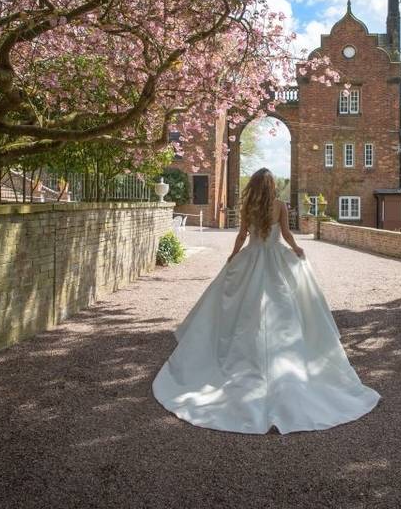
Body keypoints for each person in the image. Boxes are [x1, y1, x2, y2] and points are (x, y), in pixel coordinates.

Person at [152, 168, 380, 434]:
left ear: (254, 186)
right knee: (284, 307)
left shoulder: (249, 206)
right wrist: (296, 249)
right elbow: (285, 234)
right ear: (272, 186)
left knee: (242, 309)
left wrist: (233, 255)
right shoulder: (280, 205)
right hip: (275, 259)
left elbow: (241, 236)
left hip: (252, 256)